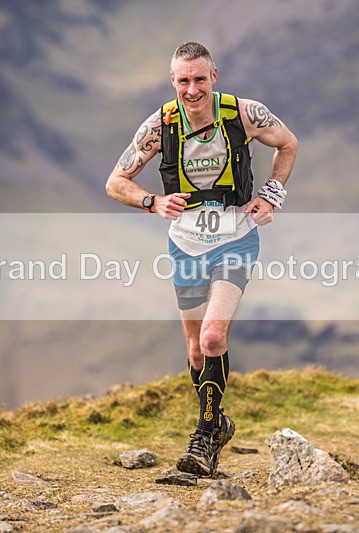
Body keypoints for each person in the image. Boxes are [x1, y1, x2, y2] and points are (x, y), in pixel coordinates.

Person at [106, 42, 298, 476]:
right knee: (195, 352)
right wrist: (151, 201)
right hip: (185, 244)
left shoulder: (244, 113)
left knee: (212, 337)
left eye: (199, 78)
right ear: (172, 82)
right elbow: (116, 182)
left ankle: (205, 436)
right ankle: (220, 422)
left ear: (214, 75)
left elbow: (287, 144)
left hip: (236, 237)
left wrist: (271, 195)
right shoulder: (159, 125)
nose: (192, 89)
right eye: (182, 81)